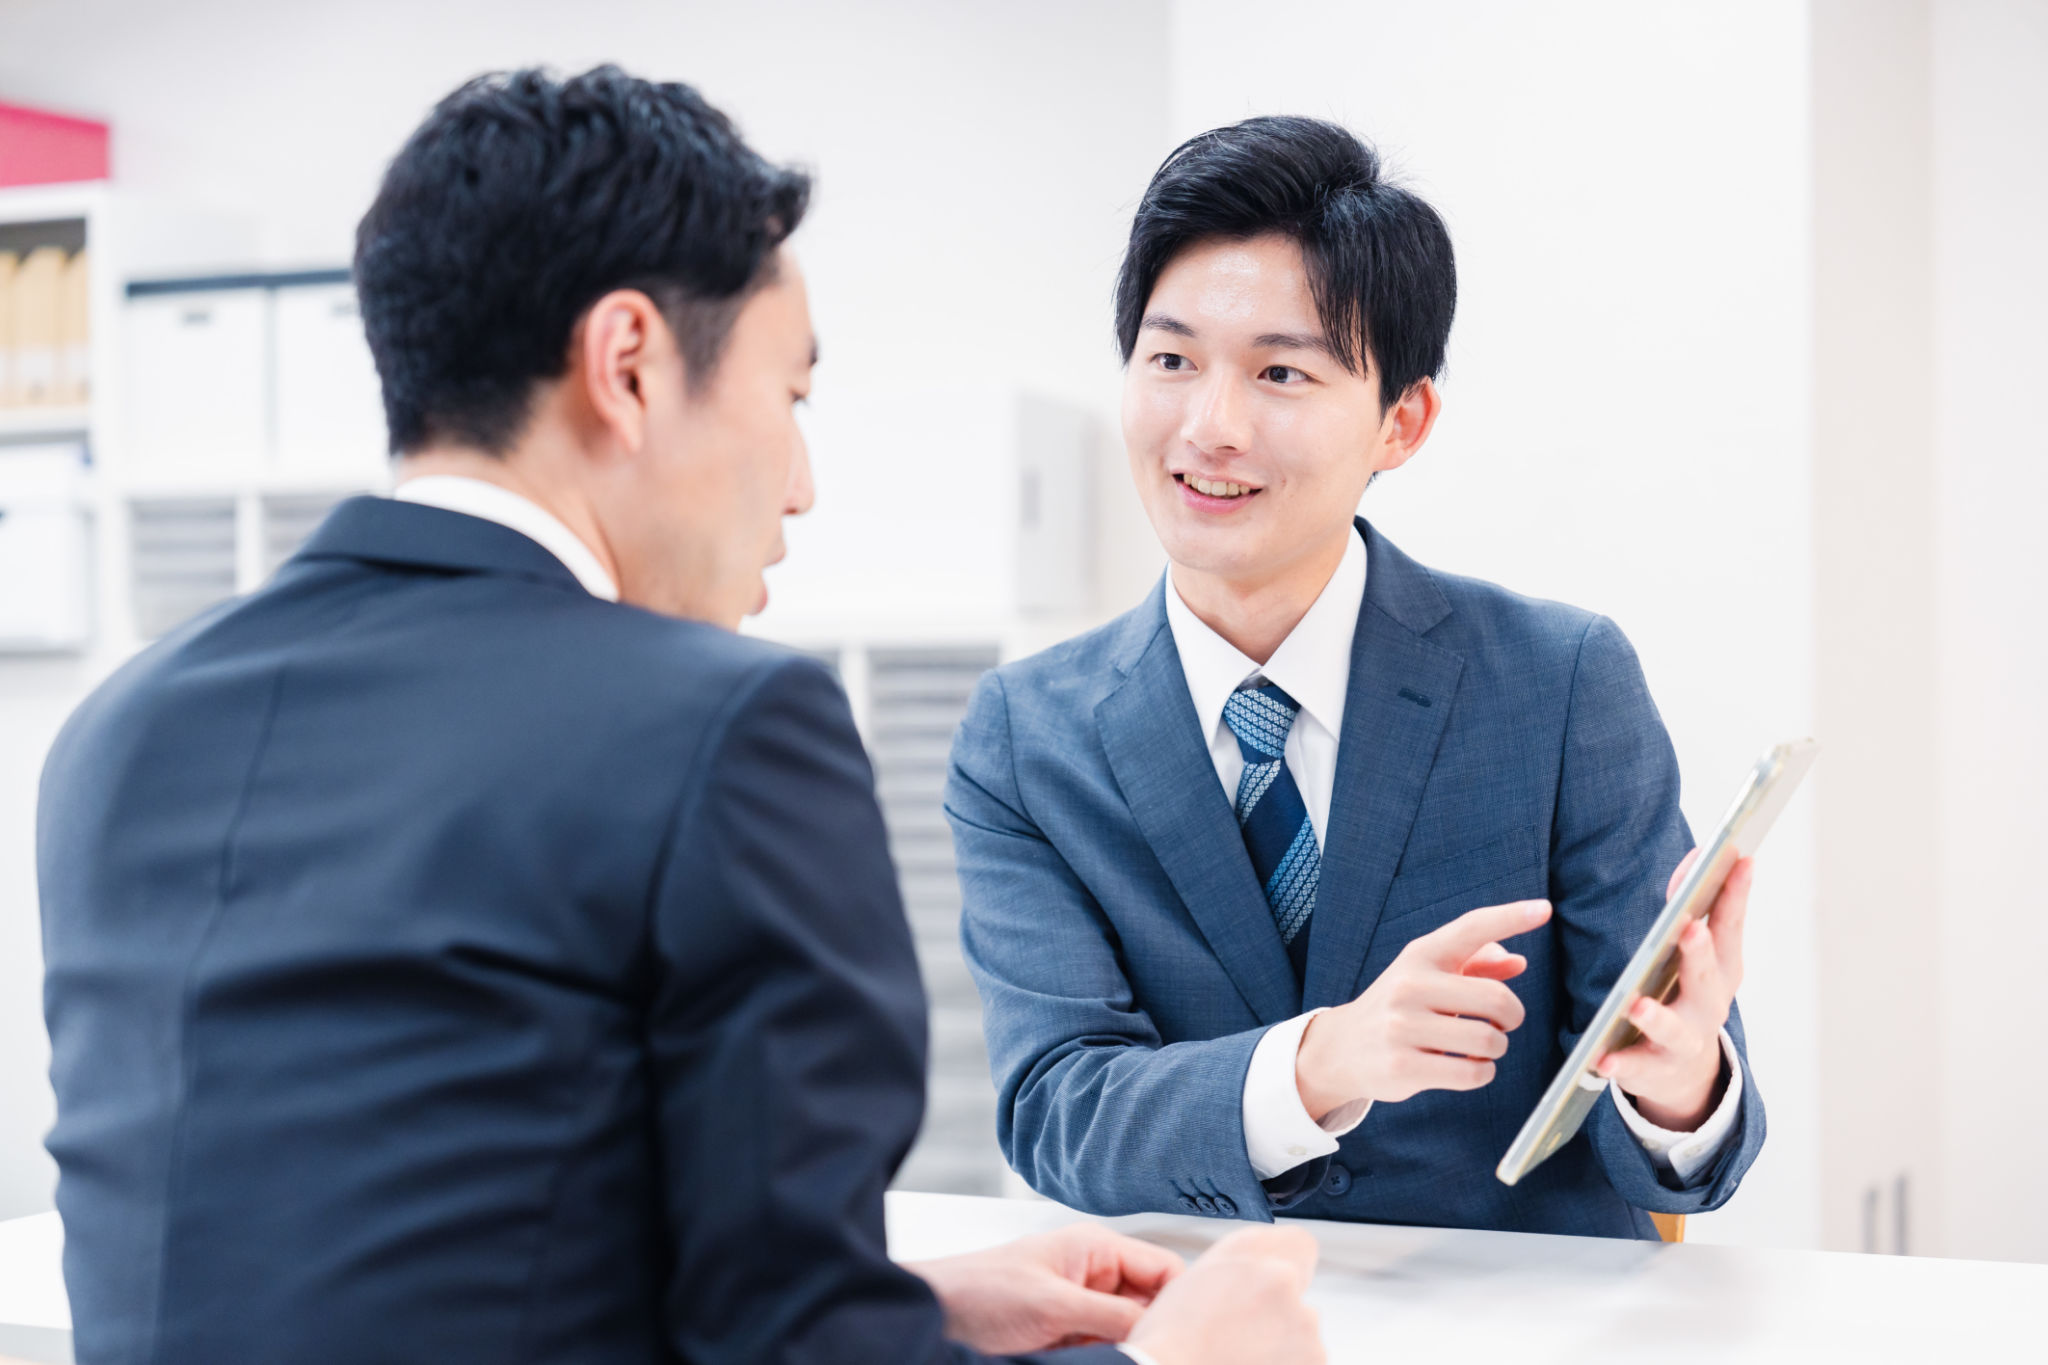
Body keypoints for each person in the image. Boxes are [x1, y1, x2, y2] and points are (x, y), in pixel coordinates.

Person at [37, 69, 1323, 1365]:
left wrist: (908, 1300)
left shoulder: (124, 730)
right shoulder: (719, 728)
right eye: (792, 399)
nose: (804, 485)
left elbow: (394, 1265)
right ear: (630, 366)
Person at [945, 117, 1765, 1238]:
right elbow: (1056, 1112)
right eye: (1170, 359)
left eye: (1279, 372)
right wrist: (1319, 1063)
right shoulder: (1023, 737)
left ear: (1401, 420)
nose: (1208, 425)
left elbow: (1669, 1145)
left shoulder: (1558, 682)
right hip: (1209, 1331)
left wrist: (1677, 1084)